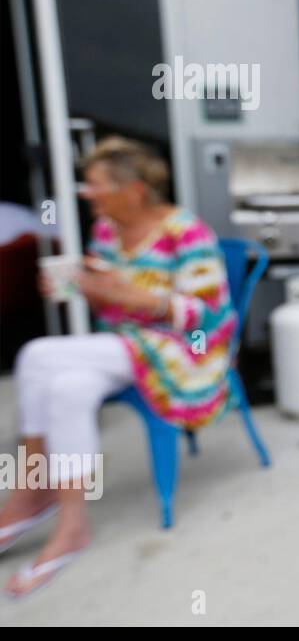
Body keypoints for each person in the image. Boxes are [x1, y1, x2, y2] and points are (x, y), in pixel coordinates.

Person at [0, 136, 235, 596]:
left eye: (96, 184)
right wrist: (84, 289)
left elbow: (208, 317)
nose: (87, 194)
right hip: (125, 343)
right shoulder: (107, 230)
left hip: (182, 352)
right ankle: (72, 525)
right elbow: (110, 309)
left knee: (36, 357)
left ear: (135, 190)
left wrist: (133, 296)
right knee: (67, 387)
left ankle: (30, 492)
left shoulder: (187, 233)